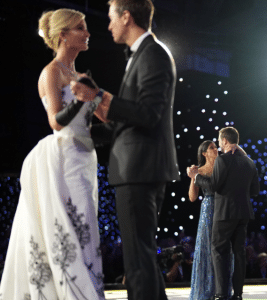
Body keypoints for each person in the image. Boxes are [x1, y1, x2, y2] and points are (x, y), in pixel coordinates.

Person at [70, 0, 180, 299]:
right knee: (141, 259)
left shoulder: (153, 54)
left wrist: (100, 96)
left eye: (110, 18)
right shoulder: (144, 55)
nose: (108, 26)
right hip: (138, 165)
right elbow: (132, 119)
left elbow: (148, 114)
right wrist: (84, 133)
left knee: (137, 260)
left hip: (140, 167)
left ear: (127, 17)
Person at [0, 9, 105, 300]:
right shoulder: (52, 72)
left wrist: (97, 100)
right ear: (63, 35)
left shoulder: (82, 75)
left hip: (87, 157)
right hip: (66, 156)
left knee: (87, 224)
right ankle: (74, 291)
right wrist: (83, 98)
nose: (87, 33)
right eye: (80, 28)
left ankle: (87, 287)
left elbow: (95, 120)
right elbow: (55, 121)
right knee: (73, 223)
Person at [188, 127, 260, 300]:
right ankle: (238, 294)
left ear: (225, 141)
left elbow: (214, 186)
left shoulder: (223, 161)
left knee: (219, 251)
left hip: (225, 212)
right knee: (239, 253)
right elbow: (255, 191)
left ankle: (221, 294)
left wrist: (195, 177)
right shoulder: (249, 162)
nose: (218, 147)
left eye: (219, 142)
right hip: (243, 213)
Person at [188, 141, 233, 300]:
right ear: (204, 153)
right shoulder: (199, 171)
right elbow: (192, 197)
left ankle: (222, 291)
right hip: (208, 210)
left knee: (223, 249)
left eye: (216, 146)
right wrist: (193, 177)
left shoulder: (224, 167)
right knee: (206, 248)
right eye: (212, 148)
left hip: (224, 208)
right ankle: (205, 291)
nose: (216, 149)